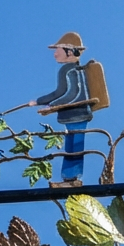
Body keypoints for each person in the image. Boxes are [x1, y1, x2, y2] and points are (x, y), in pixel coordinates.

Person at [29, 32, 92, 188]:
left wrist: (51, 106)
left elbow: (71, 93)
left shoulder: (70, 70)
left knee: (74, 148)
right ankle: (69, 179)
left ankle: (73, 179)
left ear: (70, 52)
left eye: (58, 50)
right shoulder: (71, 70)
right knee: (71, 146)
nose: (55, 53)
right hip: (73, 115)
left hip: (78, 114)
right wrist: (38, 101)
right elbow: (59, 93)